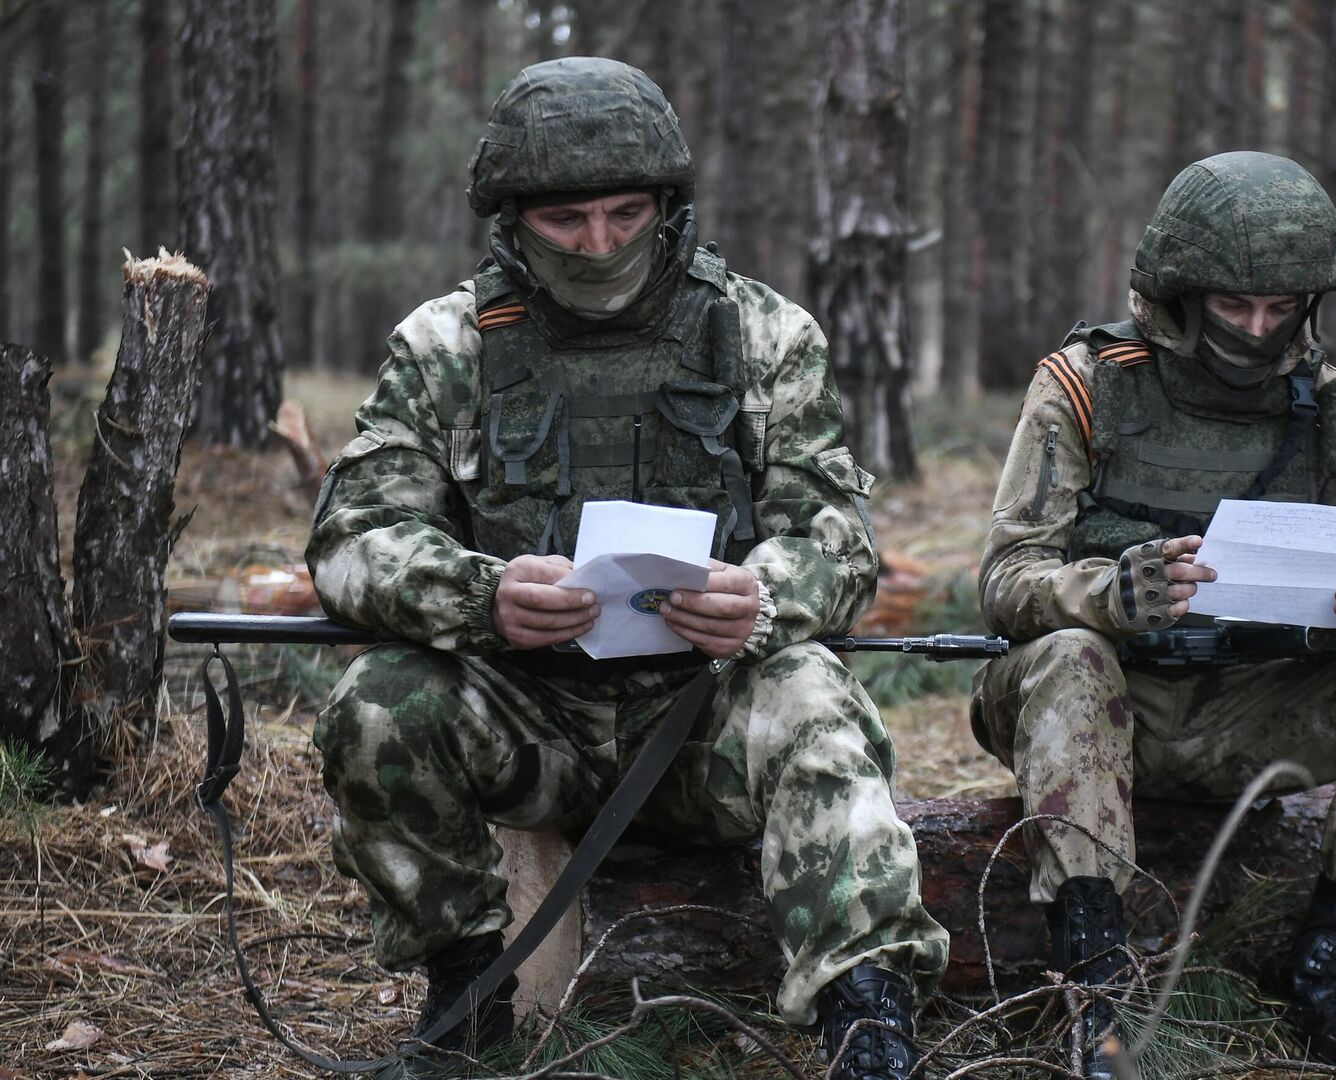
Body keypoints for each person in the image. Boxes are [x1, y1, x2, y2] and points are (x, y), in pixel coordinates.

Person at [306, 57, 946, 1080]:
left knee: (816, 694)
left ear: (667, 204)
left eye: (625, 211)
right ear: (512, 216)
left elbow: (838, 539)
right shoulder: (448, 344)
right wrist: (483, 598)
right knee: (378, 702)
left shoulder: (764, 335)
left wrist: (762, 596)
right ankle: (469, 996)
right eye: (566, 218)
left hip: (703, 719)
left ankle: (867, 1022)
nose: (600, 244)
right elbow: (351, 542)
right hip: (526, 719)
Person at [970, 151, 1336, 1075]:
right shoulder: (1086, 387)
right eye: (1232, 307)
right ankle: (1098, 995)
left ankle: (1324, 973)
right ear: (1180, 294)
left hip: (1256, 714)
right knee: (1072, 656)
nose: (1256, 330)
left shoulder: (1330, 409)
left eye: (1279, 309)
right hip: (1100, 709)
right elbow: (1008, 578)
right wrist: (1106, 594)